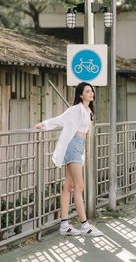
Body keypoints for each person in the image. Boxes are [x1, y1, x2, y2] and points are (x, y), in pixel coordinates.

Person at [35, 82, 103, 237]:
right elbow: (61, 119)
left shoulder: (88, 111)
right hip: (72, 147)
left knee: (69, 186)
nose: (91, 93)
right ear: (80, 95)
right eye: (87, 91)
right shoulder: (76, 109)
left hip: (79, 147)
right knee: (79, 187)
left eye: (91, 91)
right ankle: (85, 226)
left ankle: (64, 225)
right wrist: (44, 124)